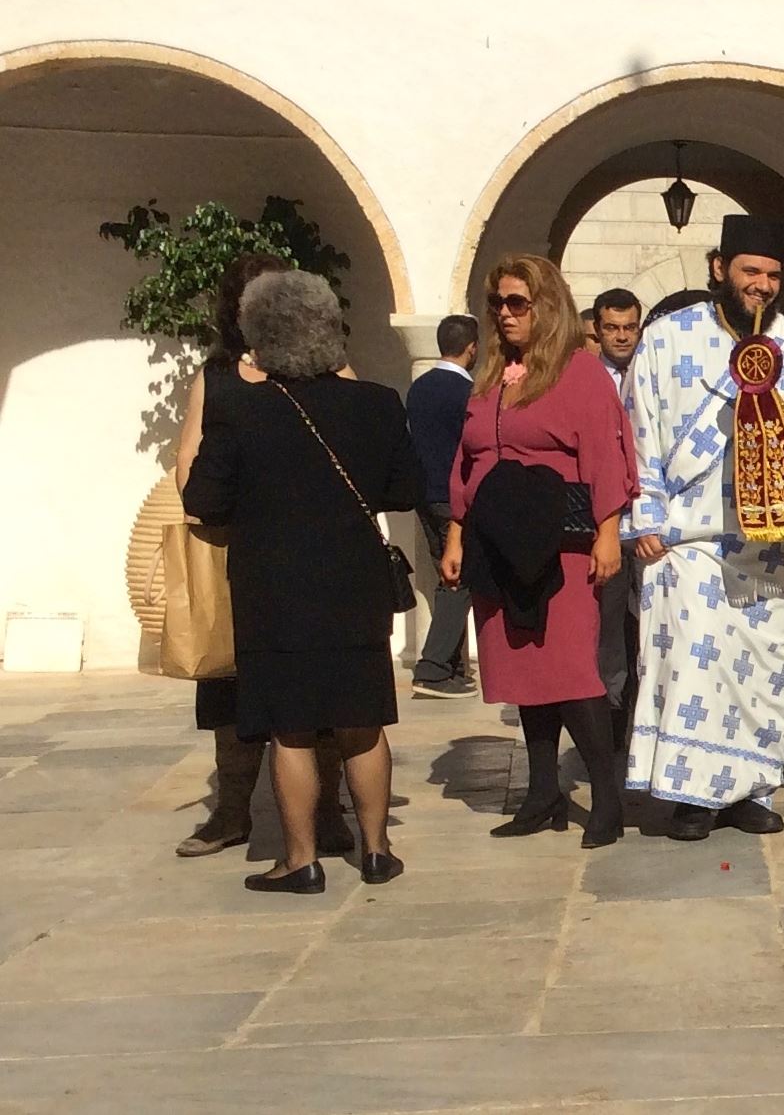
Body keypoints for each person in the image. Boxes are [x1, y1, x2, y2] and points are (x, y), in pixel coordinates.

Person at [182, 270, 424, 893]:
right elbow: (404, 489)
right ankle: (377, 851)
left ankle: (300, 860)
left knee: (289, 727)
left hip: (273, 587)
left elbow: (203, 500)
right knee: (362, 720)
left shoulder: (239, 410)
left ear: (259, 336)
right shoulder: (377, 403)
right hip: (355, 583)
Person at [624, 214, 784, 842]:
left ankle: (751, 790)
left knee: (763, 670)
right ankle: (693, 796)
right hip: (688, 537)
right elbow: (637, 427)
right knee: (695, 666)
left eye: (773, 276)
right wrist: (645, 515)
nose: (761, 286)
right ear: (721, 269)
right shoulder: (667, 337)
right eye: (750, 272)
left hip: (770, 542)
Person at [440, 255, 636, 848]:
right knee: (525, 670)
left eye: (517, 303)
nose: (504, 314)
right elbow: (468, 460)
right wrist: (456, 533)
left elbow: (606, 453)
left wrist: (608, 530)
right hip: (497, 545)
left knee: (571, 671)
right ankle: (543, 791)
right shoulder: (490, 377)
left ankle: (607, 801)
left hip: (561, 545)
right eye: (497, 303)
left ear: (546, 306)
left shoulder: (580, 373)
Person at [172, 253, 356, 860]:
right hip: (239, 554)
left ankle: (327, 811)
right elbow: (188, 461)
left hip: (312, 560)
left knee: (317, 684)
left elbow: (355, 444)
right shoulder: (217, 376)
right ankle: (231, 812)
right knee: (230, 685)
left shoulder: (330, 371)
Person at [407, 314, 479, 699]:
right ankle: (433, 667)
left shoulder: (419, 388)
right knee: (459, 577)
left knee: (446, 575)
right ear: (472, 348)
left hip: (425, 494)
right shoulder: (468, 393)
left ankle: (452, 666)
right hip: (455, 497)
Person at [591, 288, 644, 745]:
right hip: (605, 525)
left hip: (648, 525)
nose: (622, 336)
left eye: (629, 328)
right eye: (612, 328)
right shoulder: (585, 378)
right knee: (608, 633)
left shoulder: (652, 373)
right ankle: (610, 727)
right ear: (598, 329)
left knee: (648, 630)